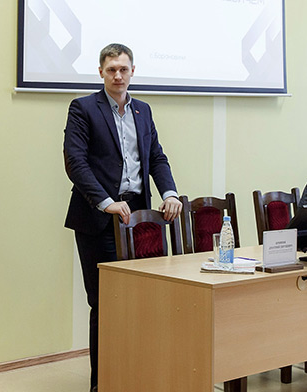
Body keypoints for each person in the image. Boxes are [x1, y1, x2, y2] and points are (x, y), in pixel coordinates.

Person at [63, 43, 180, 392]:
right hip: (98, 219)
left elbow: (156, 157)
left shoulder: (143, 110)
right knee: (105, 304)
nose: (118, 75)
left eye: (123, 69)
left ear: (132, 72)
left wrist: (169, 193)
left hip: (139, 221)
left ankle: (136, 376)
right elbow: (75, 162)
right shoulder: (83, 108)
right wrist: (106, 202)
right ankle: (103, 383)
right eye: (111, 69)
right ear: (101, 72)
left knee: (141, 302)